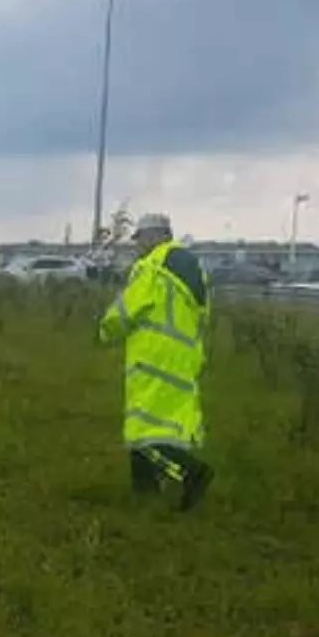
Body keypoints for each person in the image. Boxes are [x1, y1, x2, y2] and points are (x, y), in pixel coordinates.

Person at [99, 213, 213, 511]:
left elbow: (126, 311)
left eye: (141, 238)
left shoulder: (152, 266)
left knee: (143, 431)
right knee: (169, 425)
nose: (138, 245)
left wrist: (103, 330)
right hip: (184, 357)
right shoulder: (192, 265)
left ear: (156, 235)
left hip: (154, 358)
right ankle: (147, 495)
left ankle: (192, 474)